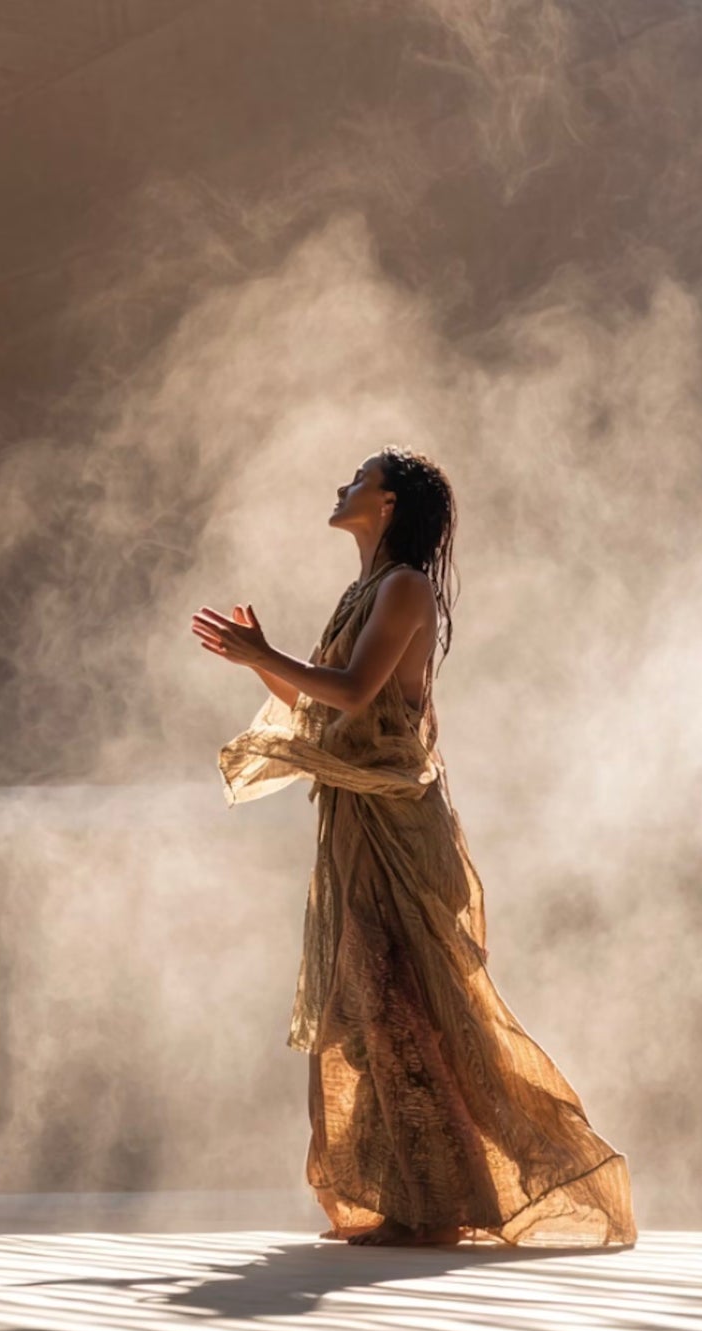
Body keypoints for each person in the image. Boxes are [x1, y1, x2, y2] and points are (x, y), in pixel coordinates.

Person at [190, 446, 637, 1247]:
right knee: (371, 1005)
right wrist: (261, 665)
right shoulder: (365, 590)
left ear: (388, 503)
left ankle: (464, 1192)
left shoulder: (403, 587)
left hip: (396, 822)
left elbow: (358, 694)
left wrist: (266, 655)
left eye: (358, 480)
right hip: (360, 820)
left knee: (405, 1003)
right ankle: (416, 1194)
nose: (342, 487)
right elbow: (326, 705)